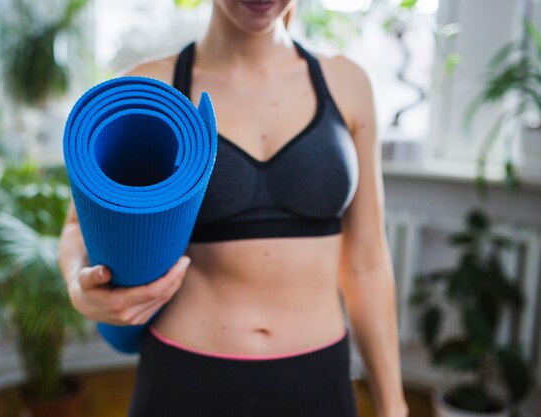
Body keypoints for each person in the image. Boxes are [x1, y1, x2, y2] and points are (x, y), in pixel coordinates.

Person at [59, 1, 408, 416]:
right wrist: (79, 288)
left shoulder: (347, 84)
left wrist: (393, 405)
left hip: (317, 379)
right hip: (185, 379)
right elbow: (78, 227)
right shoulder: (153, 86)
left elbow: (367, 263)